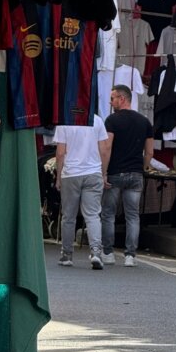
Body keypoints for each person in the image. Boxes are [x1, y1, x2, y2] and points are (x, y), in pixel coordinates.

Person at [101, 84, 154, 267]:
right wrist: (145, 167)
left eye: (113, 98)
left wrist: (104, 172)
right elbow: (149, 152)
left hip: (115, 172)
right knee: (133, 215)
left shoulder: (112, 121)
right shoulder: (144, 122)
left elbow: (107, 148)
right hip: (136, 174)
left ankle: (107, 252)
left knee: (108, 214)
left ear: (122, 99)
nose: (111, 101)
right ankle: (130, 255)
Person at [54, 115, 111, 268]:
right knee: (92, 215)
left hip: (71, 174)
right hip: (93, 173)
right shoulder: (97, 120)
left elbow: (60, 153)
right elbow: (104, 150)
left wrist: (58, 177)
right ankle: (96, 252)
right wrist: (103, 172)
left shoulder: (65, 120)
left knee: (68, 216)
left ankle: (66, 255)